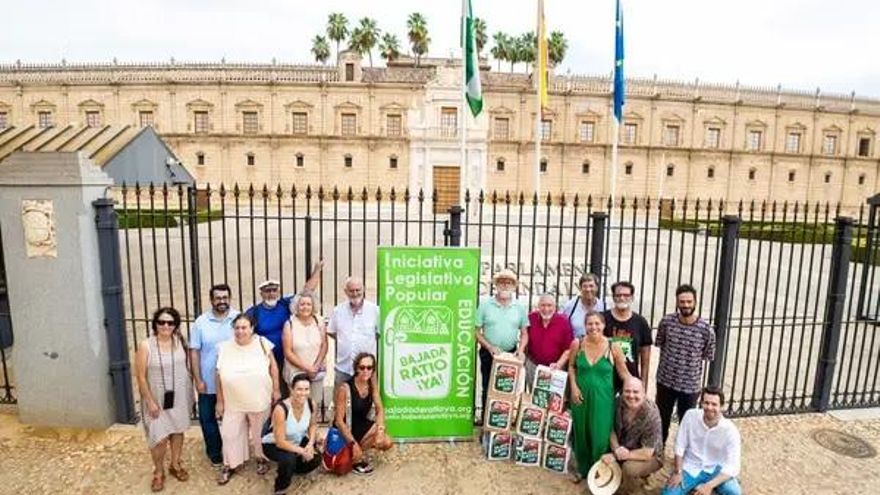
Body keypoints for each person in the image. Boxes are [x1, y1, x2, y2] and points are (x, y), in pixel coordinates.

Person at [215, 313, 281, 485]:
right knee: (230, 434)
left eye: (244, 327)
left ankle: (261, 458)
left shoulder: (262, 343)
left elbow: (273, 367)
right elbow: (218, 374)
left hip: (259, 399)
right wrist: (220, 400)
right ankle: (229, 464)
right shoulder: (224, 347)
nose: (240, 331)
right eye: (237, 327)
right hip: (233, 401)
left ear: (251, 328)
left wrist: (276, 389)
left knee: (259, 433)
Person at [134, 307, 194, 492]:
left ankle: (175, 464)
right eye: (161, 322)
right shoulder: (146, 346)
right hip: (157, 398)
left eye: (170, 322)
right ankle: (158, 471)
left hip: (179, 396)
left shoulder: (179, 341)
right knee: (158, 438)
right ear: (155, 324)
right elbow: (141, 377)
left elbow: (186, 367)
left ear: (175, 325)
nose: (166, 326)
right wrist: (150, 401)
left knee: (177, 432)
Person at [568, 310, 629, 481]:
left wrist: (634, 388)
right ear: (585, 325)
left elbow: (623, 373)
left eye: (597, 323)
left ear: (603, 325)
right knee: (581, 433)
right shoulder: (577, 344)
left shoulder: (613, 346)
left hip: (603, 400)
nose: (593, 327)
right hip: (579, 398)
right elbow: (571, 366)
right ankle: (583, 469)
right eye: (589, 323)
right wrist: (573, 386)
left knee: (601, 436)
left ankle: (598, 471)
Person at [246, 261, 324, 396]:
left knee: (287, 395)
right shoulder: (254, 312)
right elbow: (244, 332)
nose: (271, 293)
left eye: (274, 290)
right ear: (261, 293)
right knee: (267, 394)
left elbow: (307, 291)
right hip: (266, 361)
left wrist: (317, 269)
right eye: (267, 291)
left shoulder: (285, 304)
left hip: (288, 361)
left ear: (279, 291)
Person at [655, 284, 716, 443]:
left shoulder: (706, 329)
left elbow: (707, 355)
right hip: (665, 381)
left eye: (689, 301)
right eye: (682, 301)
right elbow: (660, 343)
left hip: (689, 386)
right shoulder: (667, 322)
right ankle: (658, 449)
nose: (686, 305)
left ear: (695, 302)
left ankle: (682, 452)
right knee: (662, 418)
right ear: (677, 302)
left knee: (687, 422)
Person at [189, 283, 239, 466]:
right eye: (218, 298)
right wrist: (197, 378)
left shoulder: (237, 318)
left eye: (225, 298)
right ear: (211, 300)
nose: (222, 301)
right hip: (208, 382)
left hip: (231, 381)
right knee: (207, 419)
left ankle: (232, 451)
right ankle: (214, 451)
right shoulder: (201, 323)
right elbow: (194, 351)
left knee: (233, 420)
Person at [662, 387, 742, 495]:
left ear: (722, 406)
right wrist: (678, 471)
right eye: (706, 403)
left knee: (734, 491)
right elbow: (679, 445)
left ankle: (722, 484)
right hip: (690, 467)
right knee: (669, 494)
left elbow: (733, 465)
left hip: (716, 469)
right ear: (701, 403)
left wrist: (709, 485)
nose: (709, 407)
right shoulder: (690, 416)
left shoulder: (730, 430)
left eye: (714, 404)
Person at [475, 269, 528, 421]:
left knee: (507, 390)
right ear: (496, 285)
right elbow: (476, 331)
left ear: (514, 286)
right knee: (488, 388)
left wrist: (521, 350)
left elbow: (524, 332)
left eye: (509, 282)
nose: (505, 285)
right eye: (502, 282)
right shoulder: (485, 305)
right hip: (489, 353)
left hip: (510, 354)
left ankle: (501, 423)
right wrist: (490, 347)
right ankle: (487, 424)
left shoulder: (519, 307)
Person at [333, 352, 393, 475]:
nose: (366, 371)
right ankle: (354, 454)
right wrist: (352, 443)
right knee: (342, 467)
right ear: (356, 368)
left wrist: (380, 430)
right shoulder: (345, 389)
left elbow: (380, 408)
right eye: (362, 367)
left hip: (361, 423)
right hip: (346, 427)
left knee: (386, 442)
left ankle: (357, 453)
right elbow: (339, 421)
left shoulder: (371, 384)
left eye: (369, 368)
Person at [601, 376, 663, 494]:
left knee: (629, 469)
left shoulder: (651, 415)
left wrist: (616, 456)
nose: (631, 395)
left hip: (650, 455)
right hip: (623, 446)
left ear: (644, 393)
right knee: (602, 457)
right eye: (627, 391)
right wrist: (617, 449)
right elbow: (611, 429)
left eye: (636, 392)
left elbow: (647, 453)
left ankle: (632, 491)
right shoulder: (618, 402)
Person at [262, 374, 322, 495]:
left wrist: (310, 445)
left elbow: (312, 425)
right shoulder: (281, 408)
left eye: (306, 389)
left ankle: (292, 469)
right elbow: (280, 442)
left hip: (296, 439)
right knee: (288, 459)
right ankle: (280, 488)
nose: (303, 393)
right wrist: (301, 451)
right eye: (299, 389)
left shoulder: (311, 404)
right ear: (291, 389)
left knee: (316, 458)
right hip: (274, 444)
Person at [327, 277, 380, 385]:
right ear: (346, 291)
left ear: (363, 289)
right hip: (343, 368)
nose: (355, 293)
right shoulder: (338, 311)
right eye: (351, 290)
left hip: (366, 370)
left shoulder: (374, 310)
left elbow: (378, 334)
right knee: (340, 399)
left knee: (365, 400)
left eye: (358, 290)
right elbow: (331, 332)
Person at [603, 281, 653, 393]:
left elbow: (645, 356)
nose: (622, 298)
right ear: (613, 297)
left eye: (626, 295)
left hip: (630, 381)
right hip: (605, 378)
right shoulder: (602, 319)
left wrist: (643, 383)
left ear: (632, 297)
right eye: (618, 295)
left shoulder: (640, 322)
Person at [282, 293, 328, 408]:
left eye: (309, 304)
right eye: (302, 304)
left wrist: (315, 367)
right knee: (298, 405)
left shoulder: (319, 322)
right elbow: (288, 352)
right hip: (296, 371)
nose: (305, 307)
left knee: (314, 404)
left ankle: (312, 426)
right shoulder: (290, 324)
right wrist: (307, 368)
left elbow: (324, 345)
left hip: (316, 372)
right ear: (297, 306)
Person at [524, 294, 574, 389]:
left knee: (552, 400)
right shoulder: (531, 318)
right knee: (534, 398)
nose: (546, 309)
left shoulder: (563, 322)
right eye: (543, 305)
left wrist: (559, 364)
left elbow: (568, 349)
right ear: (538, 306)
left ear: (555, 307)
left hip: (555, 367)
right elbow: (523, 336)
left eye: (549, 305)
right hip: (534, 365)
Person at [561, 273, 607, 339]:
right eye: (585, 286)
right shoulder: (570, 306)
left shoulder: (604, 307)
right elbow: (562, 328)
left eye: (591, 286)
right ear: (580, 288)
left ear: (597, 288)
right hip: (575, 346)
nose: (588, 289)